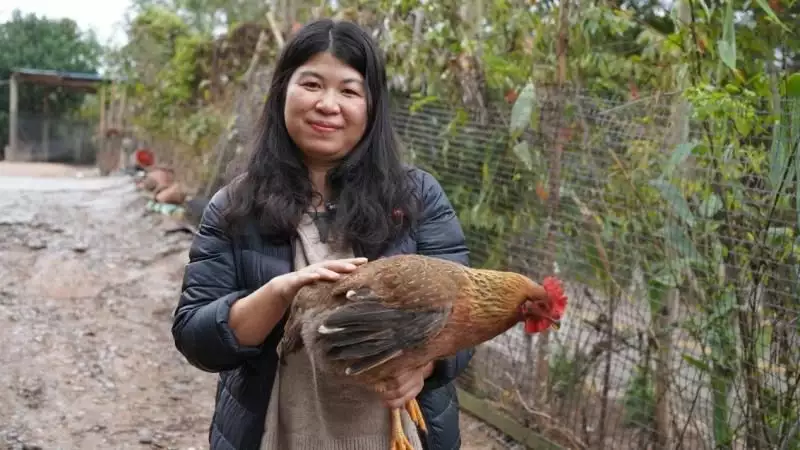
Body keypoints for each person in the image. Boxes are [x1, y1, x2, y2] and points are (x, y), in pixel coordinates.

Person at [171, 18, 473, 450]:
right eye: (311, 84)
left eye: (349, 91)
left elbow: (463, 317)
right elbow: (197, 338)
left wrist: (423, 366)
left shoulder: (417, 198)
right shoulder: (235, 206)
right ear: (283, 93)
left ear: (372, 107)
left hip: (394, 435)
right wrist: (277, 295)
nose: (328, 105)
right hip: (279, 434)